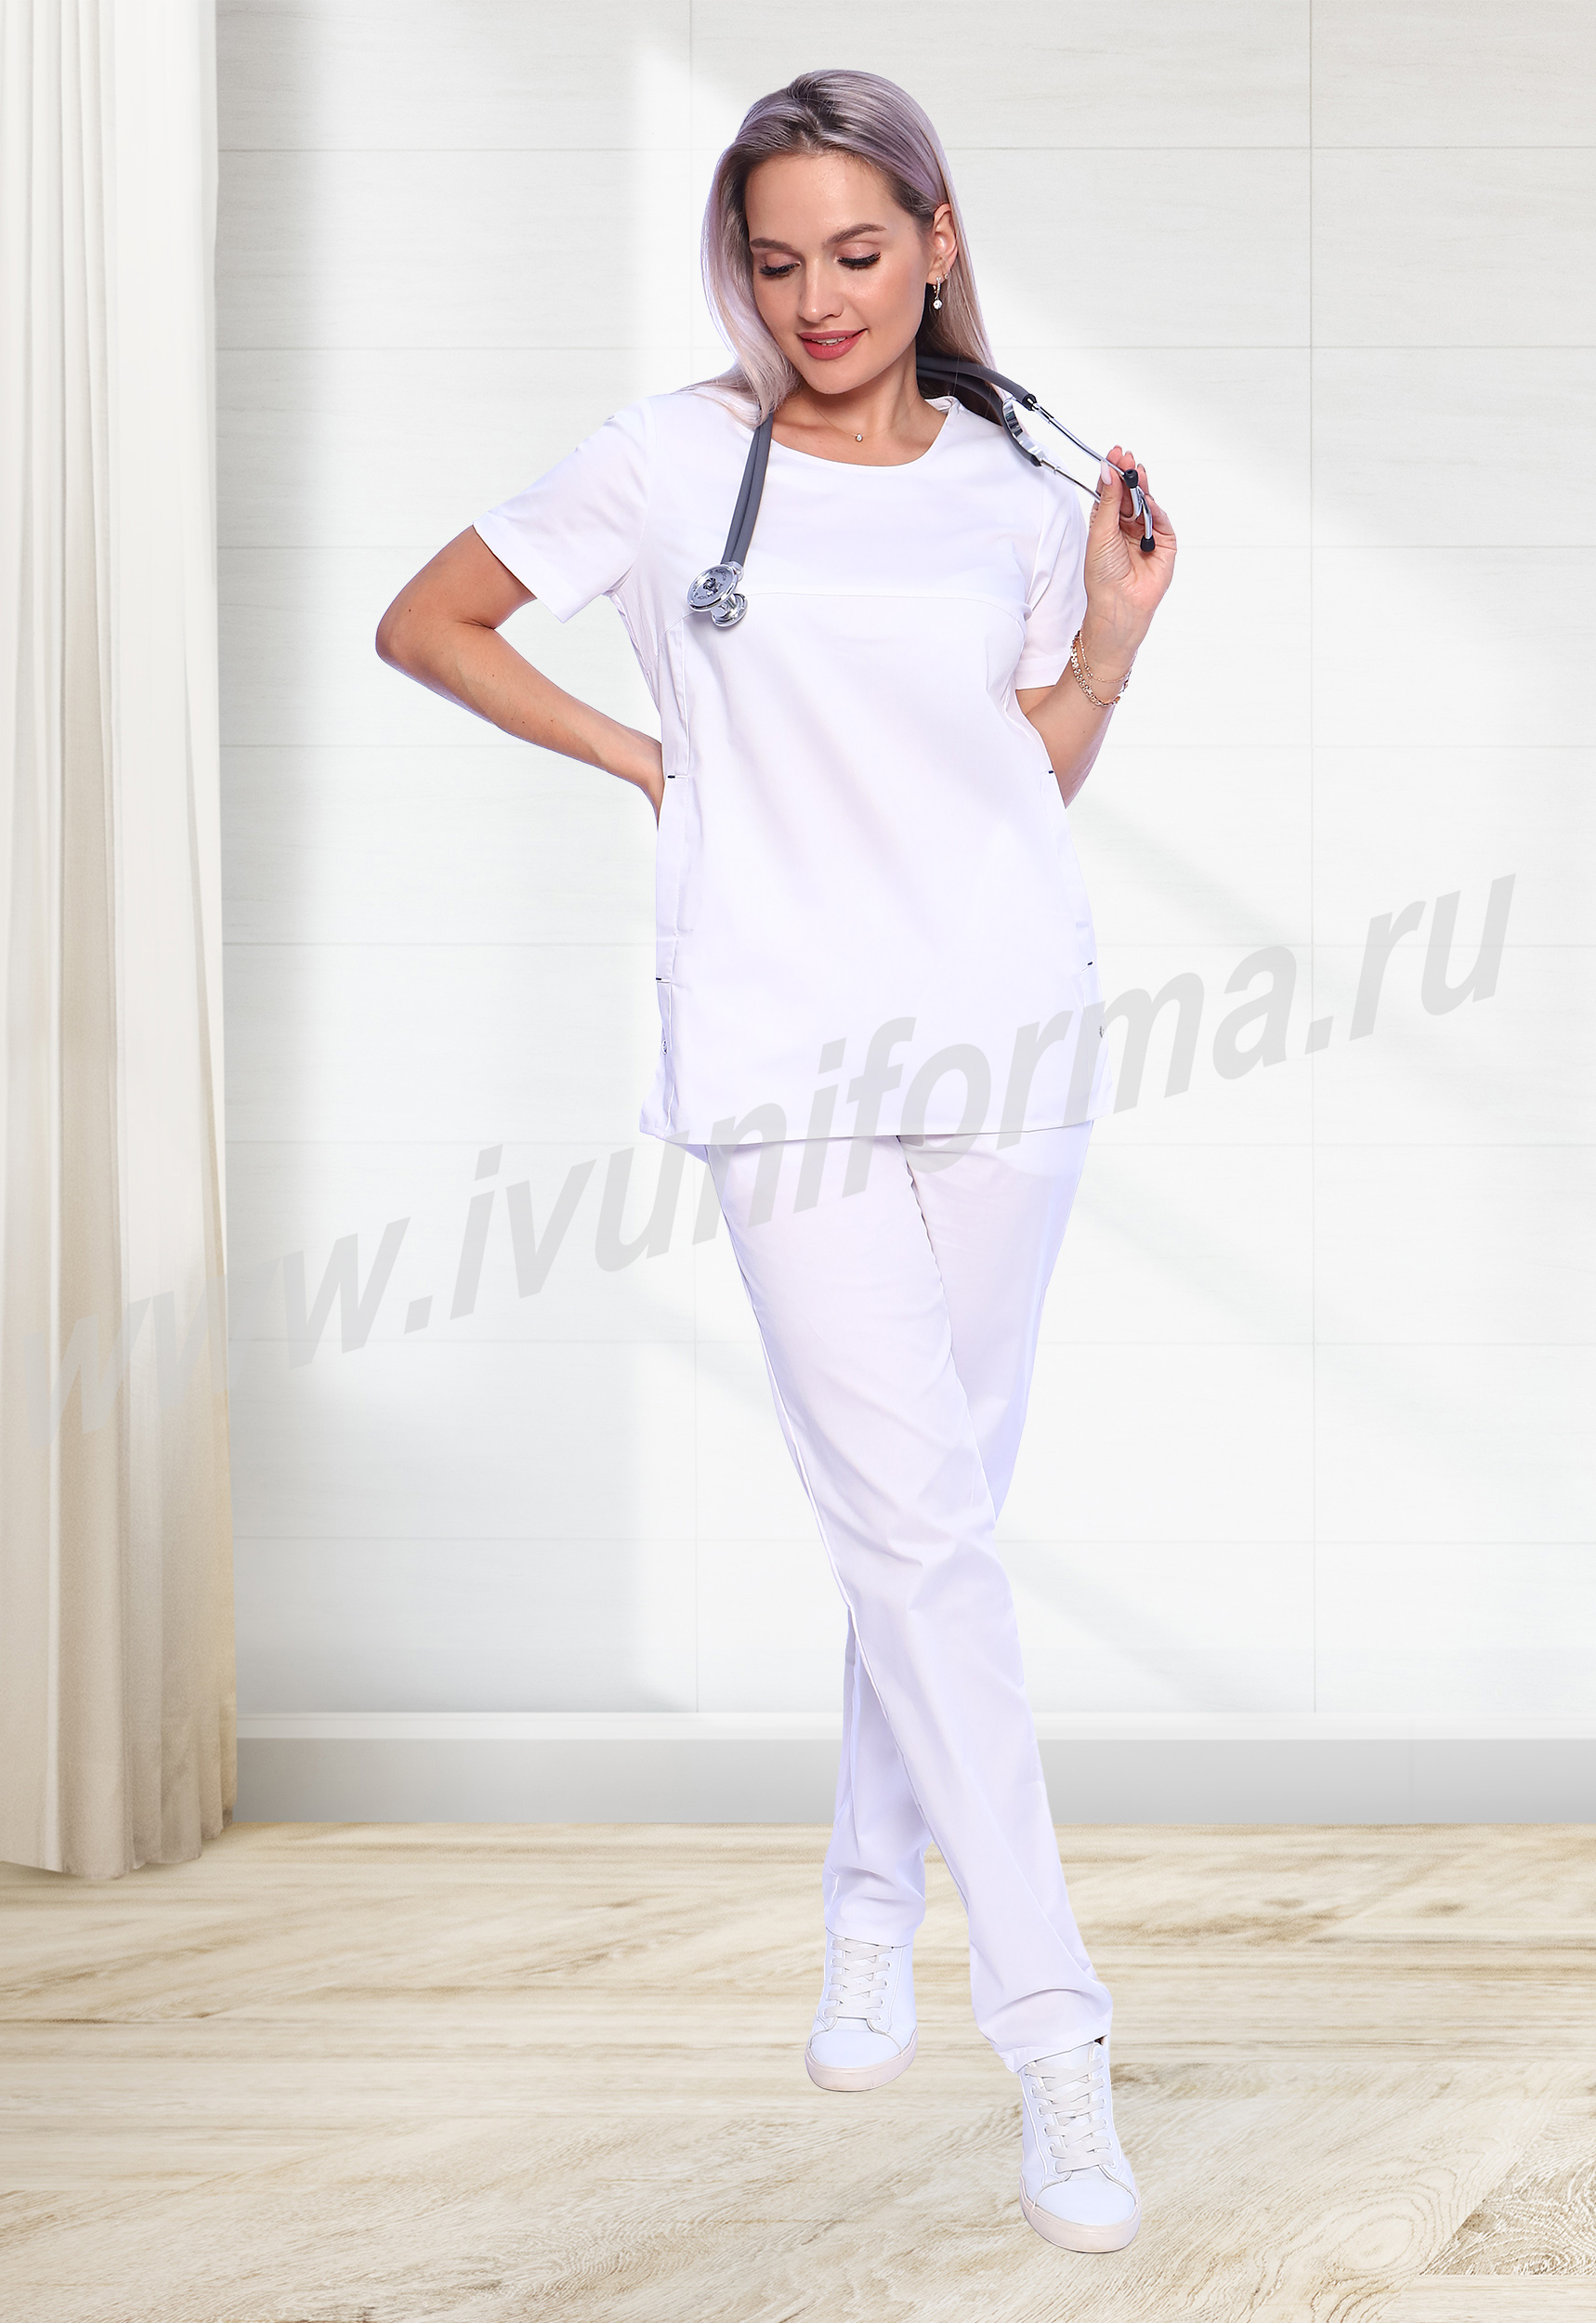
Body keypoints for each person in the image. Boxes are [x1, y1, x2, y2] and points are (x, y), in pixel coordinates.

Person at [376, 68, 1175, 2256]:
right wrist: (656, 763)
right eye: (773, 258)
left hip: (1006, 1036)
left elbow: (1023, 775)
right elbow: (429, 621)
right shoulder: (666, 463)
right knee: (913, 1525)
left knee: (934, 1525)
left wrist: (1109, 646)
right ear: (734, 266)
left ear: (935, 240)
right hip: (782, 1048)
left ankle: (865, 1903)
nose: (814, 298)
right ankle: (1054, 2032)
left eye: (855, 251)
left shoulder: (1022, 479)